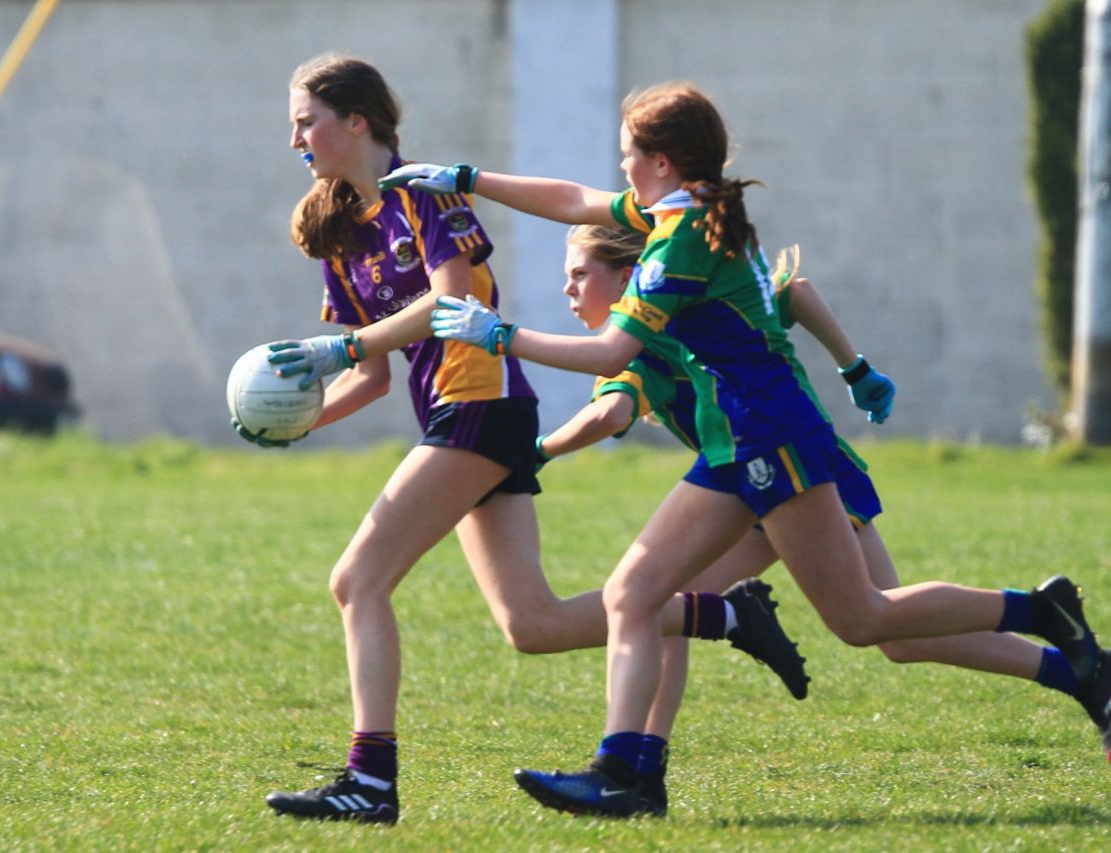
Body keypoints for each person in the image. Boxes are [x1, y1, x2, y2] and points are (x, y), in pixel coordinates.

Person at [382, 81, 1111, 816]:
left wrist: (500, 335)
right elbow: (574, 201)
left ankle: (1039, 612)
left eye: (628, 157)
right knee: (642, 595)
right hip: (738, 445)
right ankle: (626, 774)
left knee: (864, 619)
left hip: (771, 437)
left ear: (665, 162)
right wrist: (468, 179)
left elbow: (613, 351)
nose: (621, 173)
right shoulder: (682, 213)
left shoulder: (683, 240)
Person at [252, 54, 808, 827]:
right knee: (532, 625)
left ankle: (370, 779)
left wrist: (339, 348)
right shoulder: (340, 230)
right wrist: (301, 418)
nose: (294, 139)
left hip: (479, 405)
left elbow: (449, 303)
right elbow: (374, 377)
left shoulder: (423, 195)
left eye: (304, 120)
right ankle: (723, 615)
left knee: (356, 581)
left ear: (356, 121)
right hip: (459, 414)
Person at [542, 225, 1111, 814]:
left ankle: (637, 773)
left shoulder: (644, 338)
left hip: (791, 473)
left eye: (578, 274)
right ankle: (640, 773)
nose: (567, 288)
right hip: (759, 481)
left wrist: (535, 448)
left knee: (867, 622)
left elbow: (609, 414)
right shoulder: (688, 302)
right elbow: (793, 292)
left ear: (624, 277)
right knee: (685, 608)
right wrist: (855, 369)